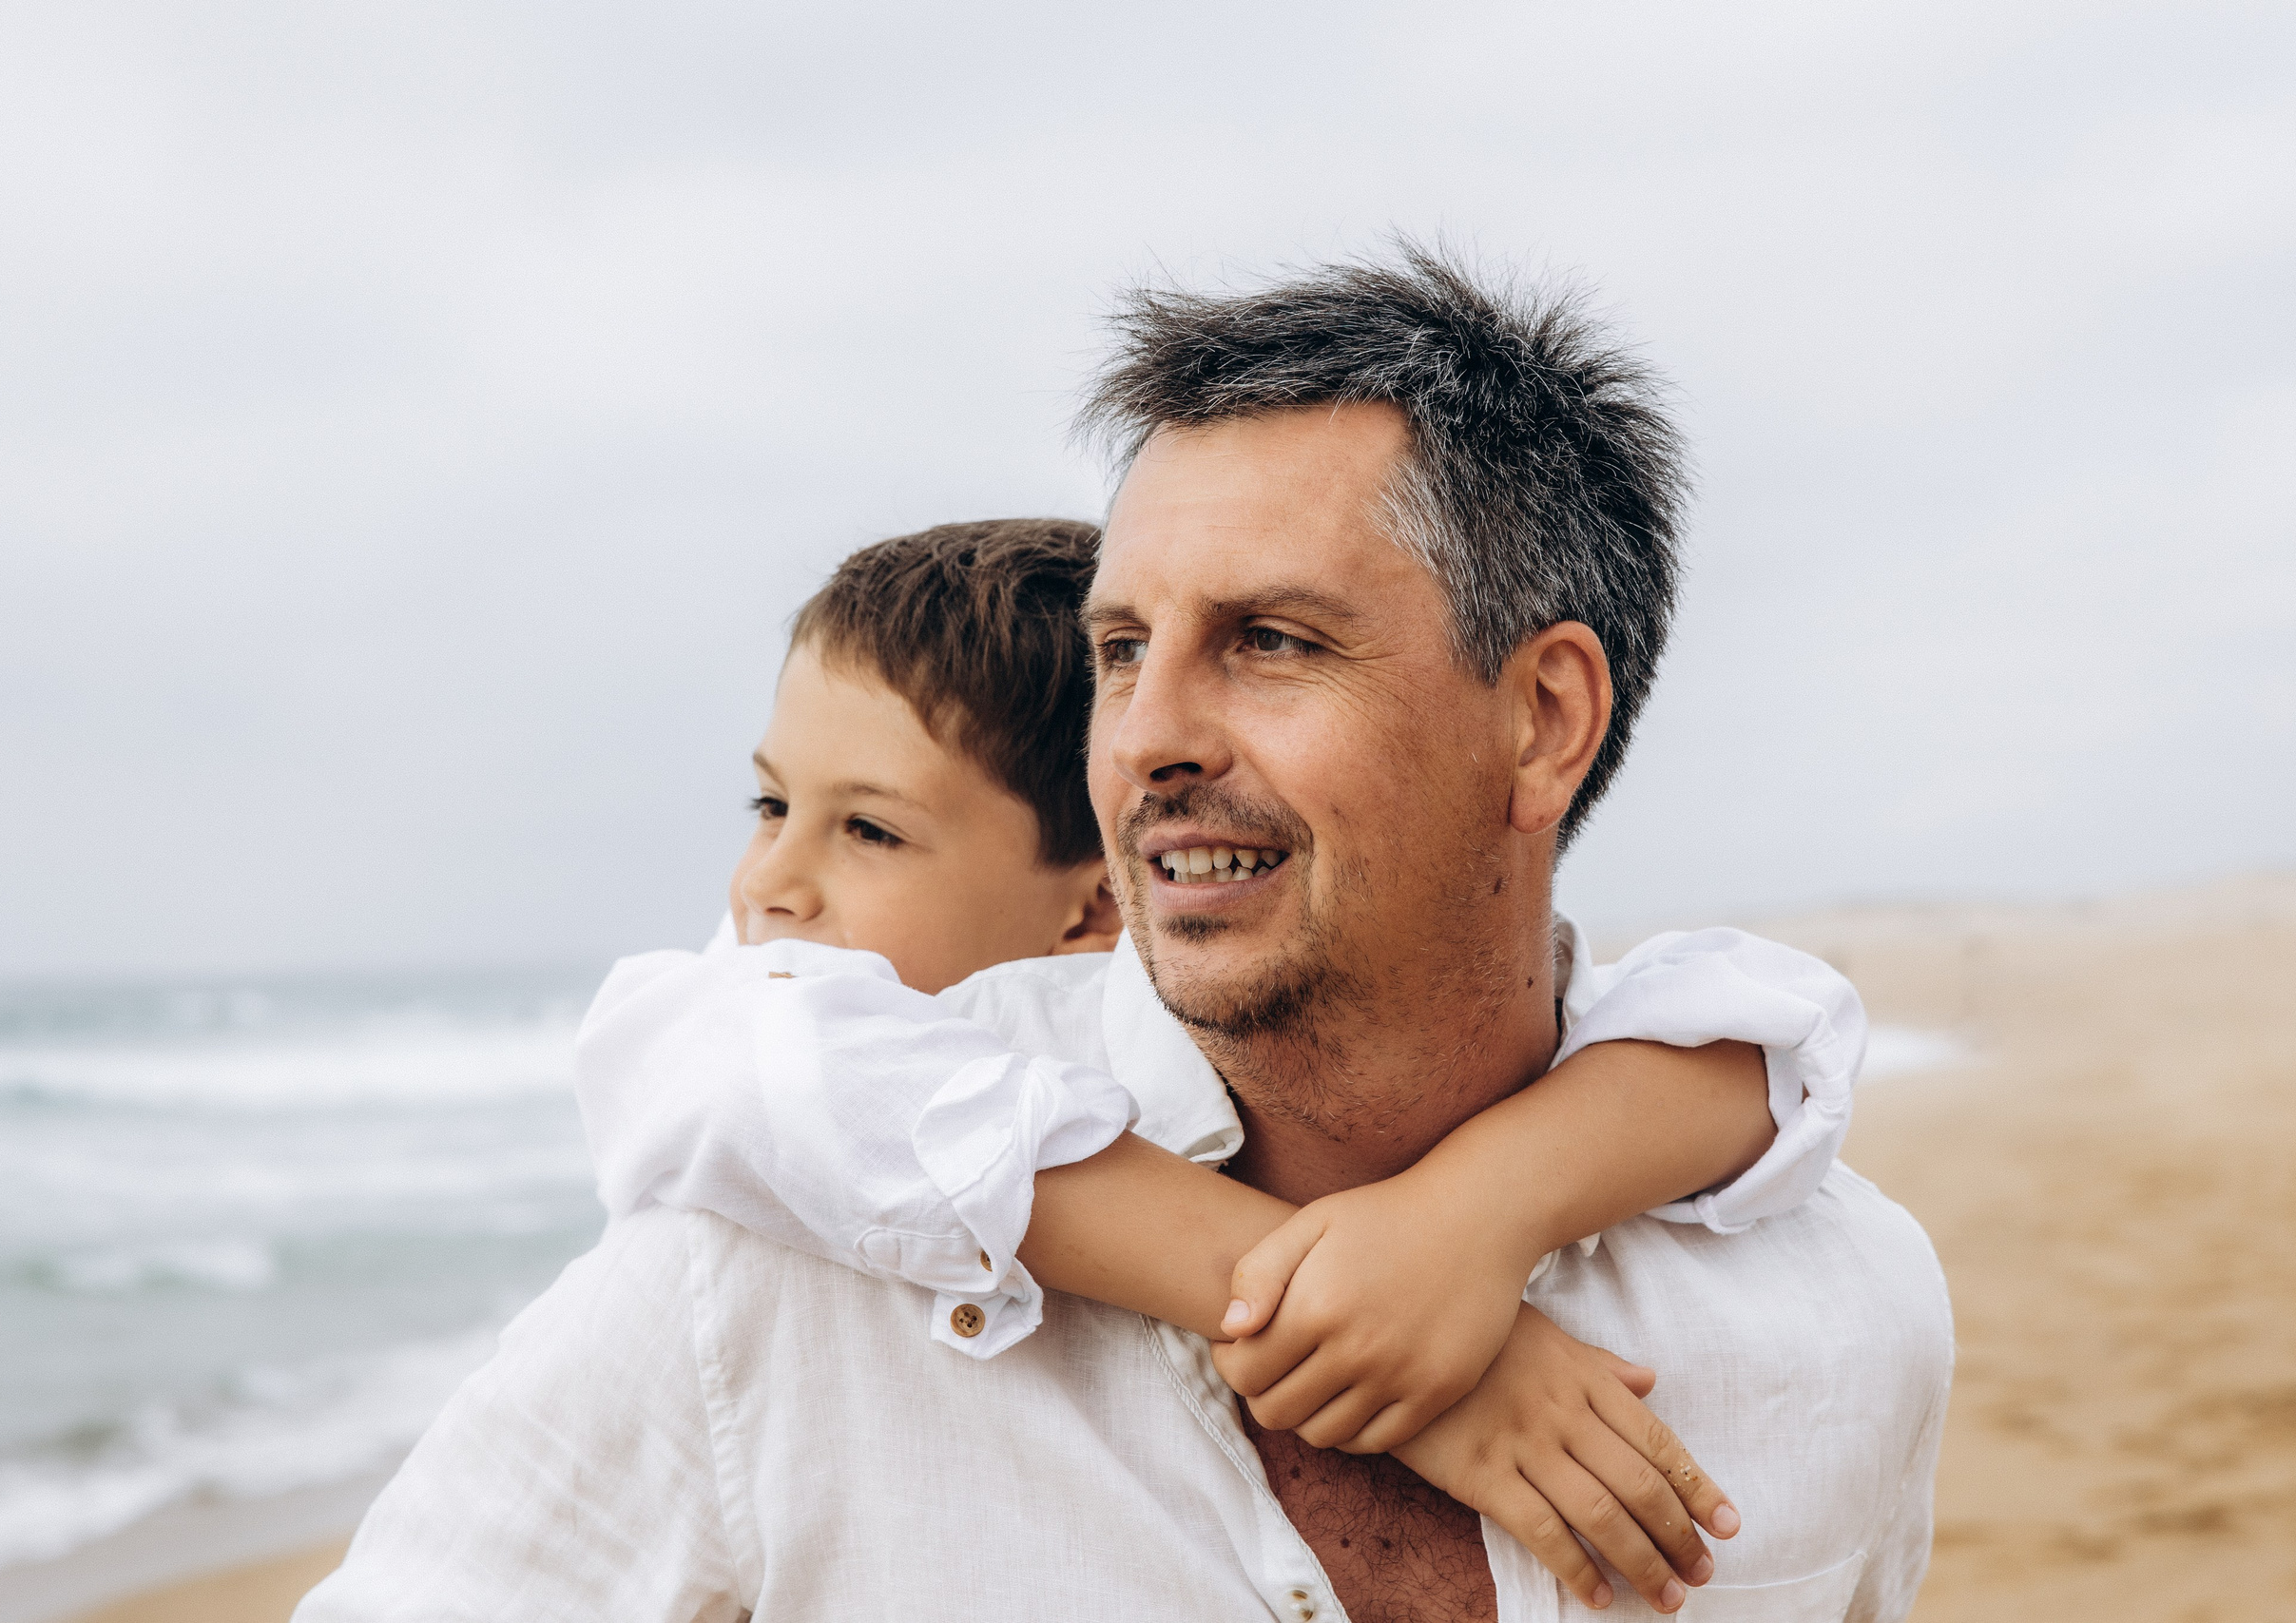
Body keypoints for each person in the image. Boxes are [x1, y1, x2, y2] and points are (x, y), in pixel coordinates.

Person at [298, 247, 1951, 1623]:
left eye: (1273, 642)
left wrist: (1481, 1215)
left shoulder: (1839, 1314)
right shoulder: (775, 1277)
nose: (1146, 739)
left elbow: (1777, 1035)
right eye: (1117, 650)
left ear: (1542, 719)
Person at [564, 517, 1867, 1606]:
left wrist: (1472, 1215)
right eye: (770, 805)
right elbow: (756, 1064)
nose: (772, 886)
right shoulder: (752, 1074)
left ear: (1097, 903)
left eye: (870, 834)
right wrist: (1383, 1350)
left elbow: (1773, 1026)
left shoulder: (1198, 1044)